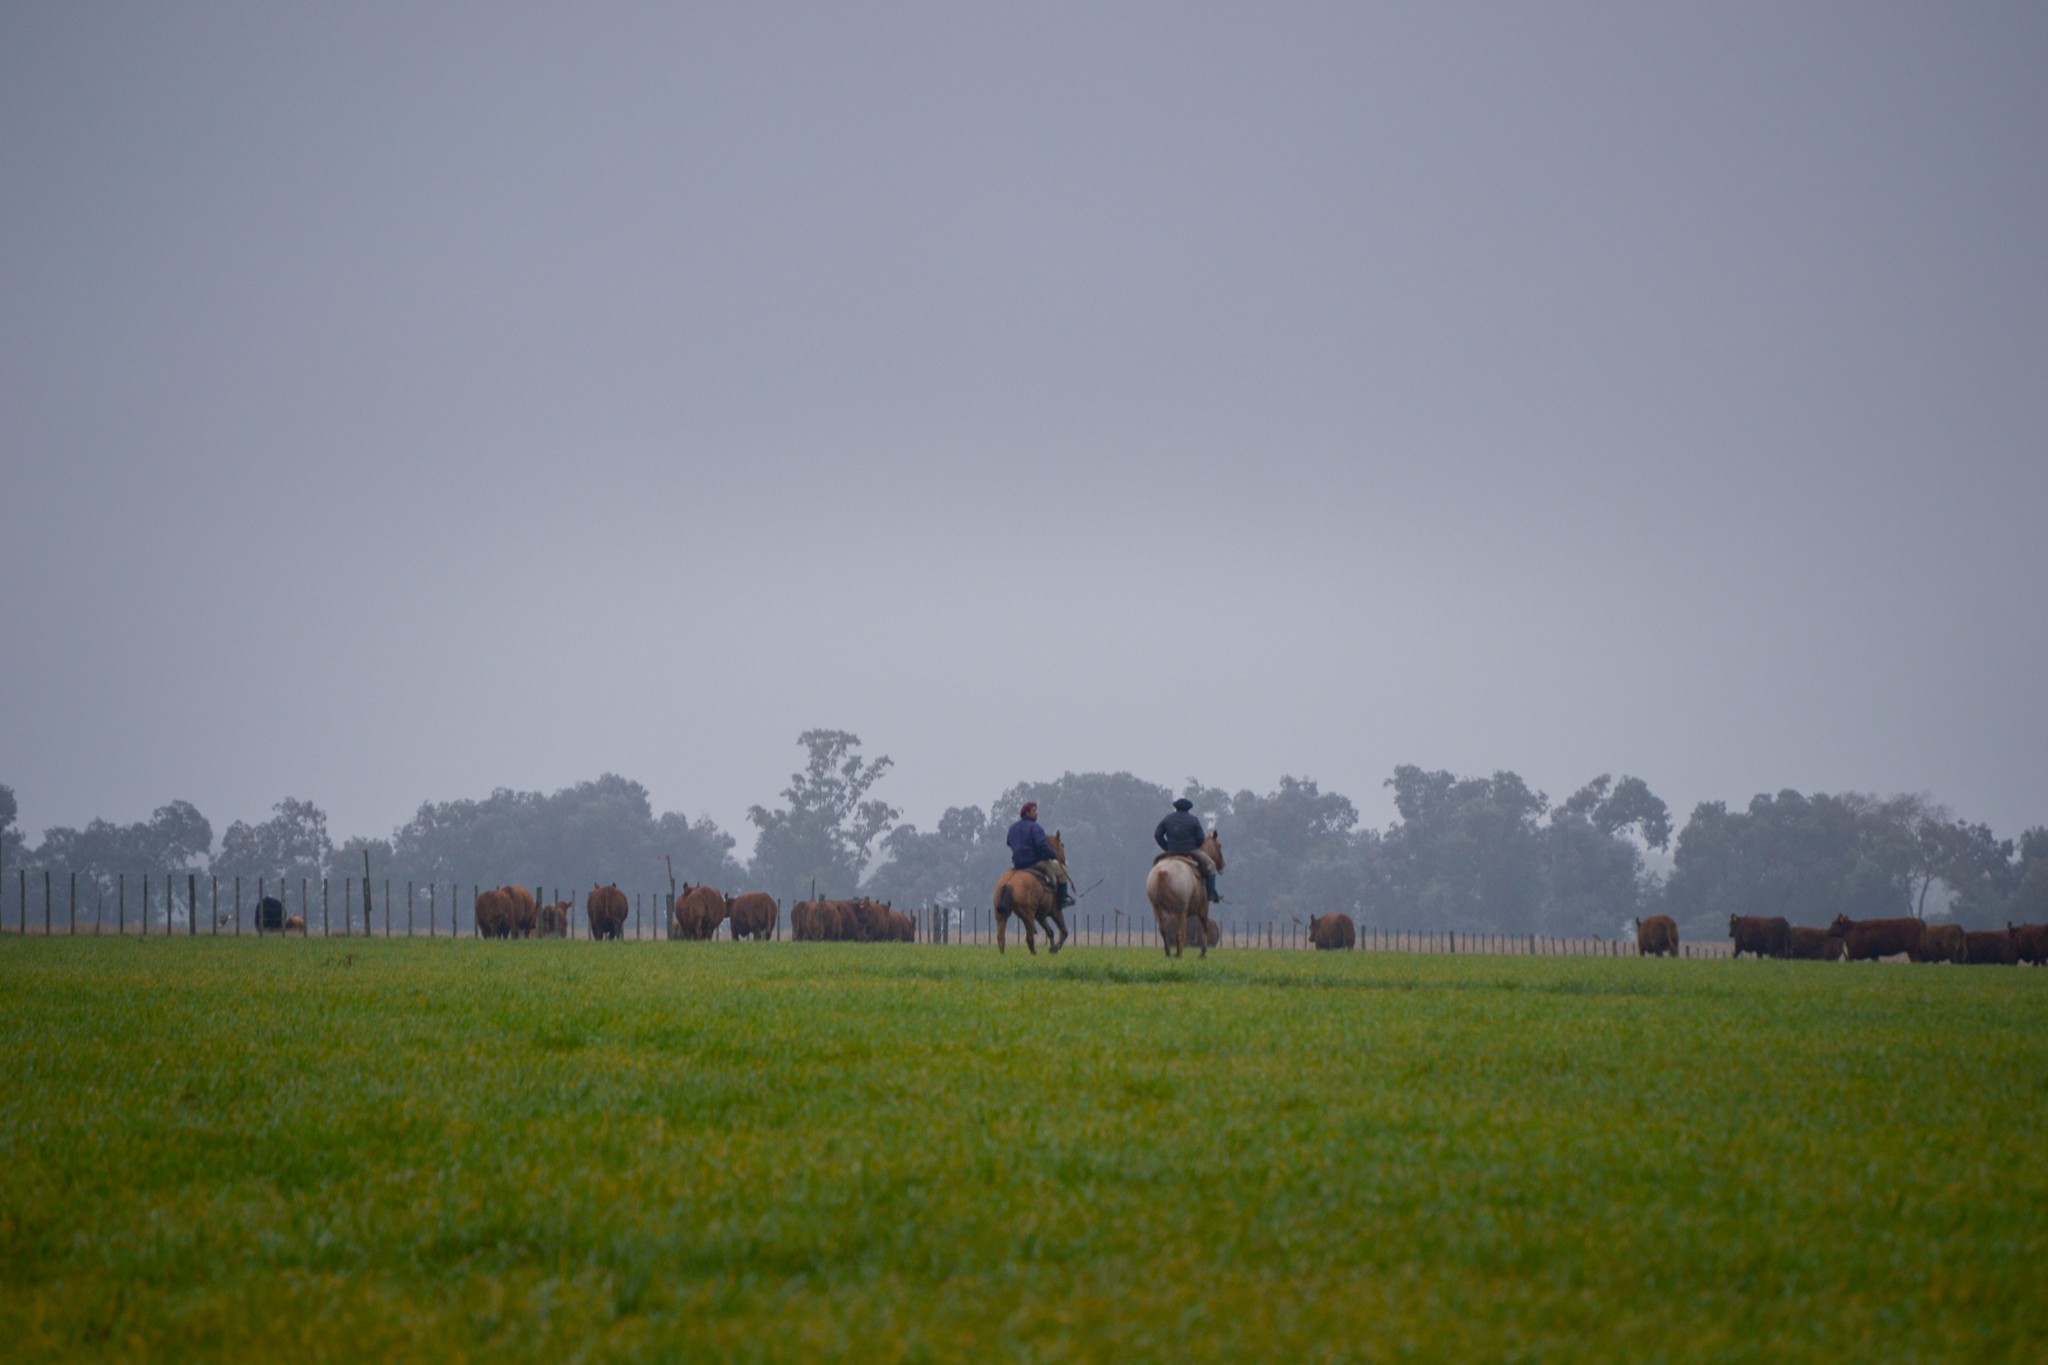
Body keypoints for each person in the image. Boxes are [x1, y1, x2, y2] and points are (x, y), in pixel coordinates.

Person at [1006, 801, 1075, 908]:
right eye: (1034, 811)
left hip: (1018, 863)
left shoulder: (1012, 828)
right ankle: (1063, 898)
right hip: (1034, 862)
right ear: (1027, 813)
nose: (1036, 813)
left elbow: (1009, 843)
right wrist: (1052, 854)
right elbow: (1041, 845)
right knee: (1062, 870)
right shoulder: (1035, 827)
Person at [1154, 797, 1222, 902]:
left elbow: (1157, 835)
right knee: (1211, 866)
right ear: (1188, 809)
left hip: (1171, 851)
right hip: (1190, 851)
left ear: (1176, 808)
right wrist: (1194, 846)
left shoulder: (1167, 819)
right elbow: (1201, 838)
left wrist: (1167, 847)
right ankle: (1211, 894)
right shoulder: (1193, 820)